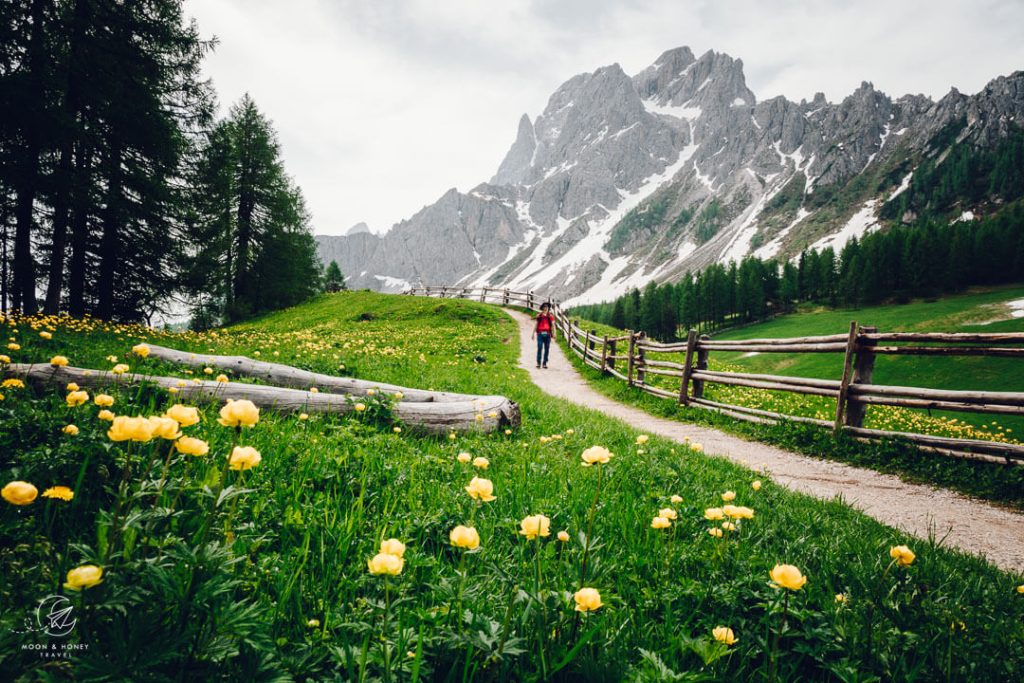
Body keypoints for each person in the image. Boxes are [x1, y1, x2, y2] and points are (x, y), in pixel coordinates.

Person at [532, 303, 555, 368]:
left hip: (548, 334)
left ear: (548, 308)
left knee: (547, 348)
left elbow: (553, 325)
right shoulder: (539, 316)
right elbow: (536, 324)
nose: (545, 308)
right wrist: (533, 333)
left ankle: (544, 363)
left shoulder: (550, 316)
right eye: (544, 307)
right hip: (540, 334)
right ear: (542, 308)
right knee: (539, 347)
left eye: (547, 307)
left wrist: (554, 333)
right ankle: (538, 363)